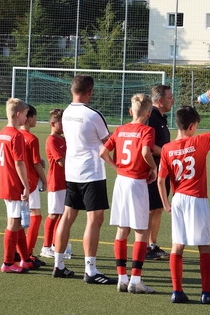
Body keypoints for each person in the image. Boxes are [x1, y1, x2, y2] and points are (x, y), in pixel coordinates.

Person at [157, 90, 210, 304]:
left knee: (177, 245)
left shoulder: (167, 149)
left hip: (178, 199)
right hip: (197, 199)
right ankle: (206, 292)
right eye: (196, 126)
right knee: (204, 246)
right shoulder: (199, 142)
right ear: (191, 127)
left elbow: (161, 180)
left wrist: (166, 204)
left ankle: (177, 291)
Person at [52, 75, 116, 284]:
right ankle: (91, 269)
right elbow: (109, 142)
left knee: (67, 216)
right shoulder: (93, 115)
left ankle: (59, 264)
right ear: (90, 92)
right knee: (94, 220)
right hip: (91, 173)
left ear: (72, 90)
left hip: (72, 172)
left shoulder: (66, 113)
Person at [100, 93, 158, 294]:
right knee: (141, 230)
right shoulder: (147, 130)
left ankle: (122, 278)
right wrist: (154, 169)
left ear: (131, 111)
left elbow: (102, 152)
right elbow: (145, 152)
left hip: (121, 181)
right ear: (148, 113)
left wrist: (116, 167)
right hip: (136, 182)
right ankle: (136, 280)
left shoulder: (120, 129)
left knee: (122, 228)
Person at [0, 98, 31, 273]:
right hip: (13, 184)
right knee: (13, 223)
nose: (26, 118)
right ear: (18, 114)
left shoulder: (1, 133)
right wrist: (26, 186)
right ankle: (8, 263)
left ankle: (25, 259)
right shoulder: (16, 135)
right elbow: (19, 163)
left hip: (5, 181)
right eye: (25, 114)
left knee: (17, 222)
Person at [146, 85, 175, 260]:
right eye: (170, 97)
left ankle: (152, 245)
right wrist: (167, 153)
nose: (173, 101)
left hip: (161, 171)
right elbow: (147, 146)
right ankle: (145, 246)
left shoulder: (161, 118)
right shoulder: (151, 117)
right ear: (160, 100)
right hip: (152, 172)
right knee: (151, 209)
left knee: (157, 209)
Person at [20, 105, 47, 267]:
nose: (36, 120)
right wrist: (45, 180)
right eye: (35, 117)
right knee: (35, 216)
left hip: (17, 182)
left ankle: (19, 253)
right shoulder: (32, 139)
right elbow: (36, 163)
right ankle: (27, 254)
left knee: (18, 218)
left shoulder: (16, 135)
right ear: (28, 118)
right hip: (30, 182)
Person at [40, 109, 67, 259]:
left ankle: (56, 245)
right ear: (52, 124)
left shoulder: (63, 139)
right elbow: (61, 161)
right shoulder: (52, 140)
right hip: (56, 181)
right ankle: (46, 246)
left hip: (65, 181)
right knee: (54, 214)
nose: (64, 126)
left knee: (62, 214)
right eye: (61, 123)